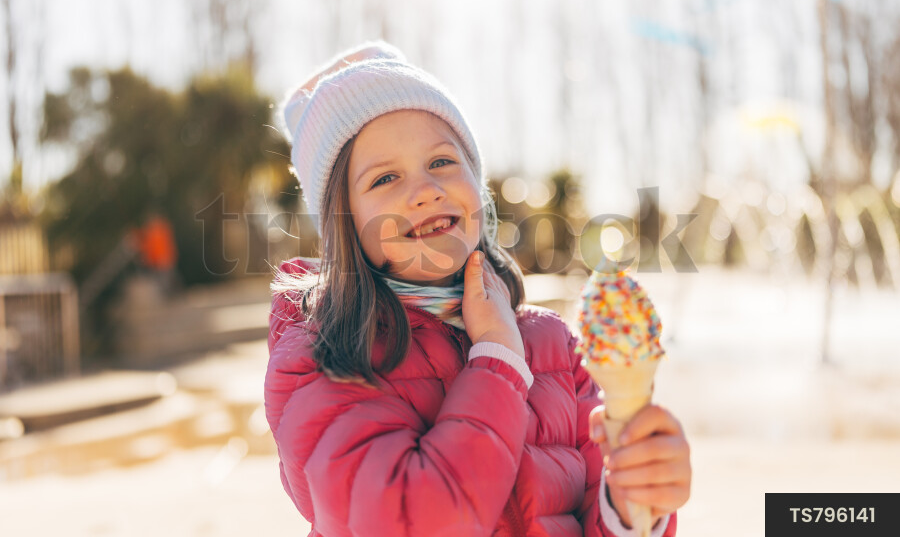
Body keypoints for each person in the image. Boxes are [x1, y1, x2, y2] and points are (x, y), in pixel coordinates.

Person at [265, 41, 691, 536]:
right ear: (344, 224)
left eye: (442, 162)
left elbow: (595, 517)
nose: (425, 189)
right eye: (384, 178)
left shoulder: (552, 344)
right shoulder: (323, 356)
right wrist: (496, 359)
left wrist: (634, 503)